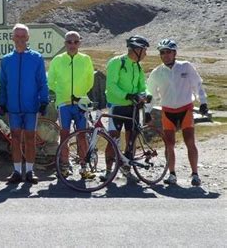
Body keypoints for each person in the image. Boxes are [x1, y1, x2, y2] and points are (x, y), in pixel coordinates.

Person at [146, 39, 208, 186]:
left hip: (185, 109)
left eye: (168, 52)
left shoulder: (186, 66)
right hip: (167, 111)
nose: (165, 55)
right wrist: (147, 111)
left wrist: (203, 102)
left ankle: (195, 174)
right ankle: (172, 174)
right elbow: (151, 94)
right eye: (162, 52)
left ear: (174, 53)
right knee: (169, 145)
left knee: (190, 142)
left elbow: (197, 85)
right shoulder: (156, 72)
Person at [0, 23, 49, 184]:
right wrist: (2, 102)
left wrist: (44, 101)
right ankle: (16, 171)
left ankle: (29, 171)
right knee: (15, 138)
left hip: (31, 106)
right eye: (17, 36)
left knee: (29, 138)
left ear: (27, 38)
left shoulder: (36, 58)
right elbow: (3, 83)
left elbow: (43, 82)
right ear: (12, 38)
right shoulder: (6, 60)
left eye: (23, 36)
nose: (20, 39)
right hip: (13, 107)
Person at [102, 35, 151, 183]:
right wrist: (127, 95)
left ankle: (126, 169)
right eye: (144, 50)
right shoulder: (117, 62)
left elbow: (142, 86)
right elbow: (111, 85)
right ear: (136, 49)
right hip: (117, 107)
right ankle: (108, 171)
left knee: (131, 139)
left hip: (133, 107)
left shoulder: (138, 66)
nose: (145, 54)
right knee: (113, 138)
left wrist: (146, 95)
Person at [47, 31, 95, 179]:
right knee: (64, 135)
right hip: (64, 104)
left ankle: (84, 167)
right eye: (69, 42)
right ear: (65, 43)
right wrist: (62, 93)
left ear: (79, 43)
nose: (72, 45)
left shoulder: (86, 59)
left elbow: (90, 80)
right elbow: (51, 81)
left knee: (82, 135)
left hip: (81, 103)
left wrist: (81, 94)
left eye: (75, 42)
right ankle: (64, 166)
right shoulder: (57, 60)